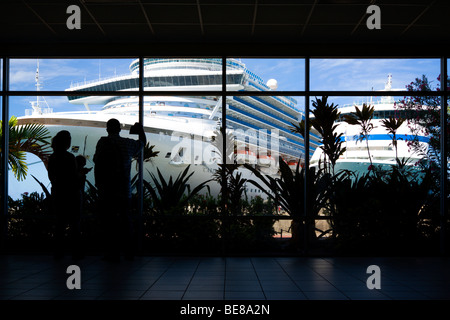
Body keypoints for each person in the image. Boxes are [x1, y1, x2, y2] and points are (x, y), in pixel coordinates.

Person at [94, 118, 146, 261]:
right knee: (125, 221)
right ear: (119, 129)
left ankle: (112, 253)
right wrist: (141, 131)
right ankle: (129, 252)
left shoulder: (102, 142)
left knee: (108, 223)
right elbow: (141, 144)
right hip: (123, 190)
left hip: (106, 190)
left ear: (107, 129)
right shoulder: (127, 144)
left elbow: (96, 160)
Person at [47, 130, 82, 260]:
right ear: (67, 142)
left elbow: (51, 176)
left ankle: (58, 252)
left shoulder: (53, 157)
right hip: (71, 193)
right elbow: (73, 176)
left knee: (59, 224)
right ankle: (76, 252)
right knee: (75, 224)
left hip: (58, 192)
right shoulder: (69, 157)